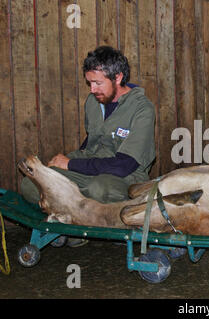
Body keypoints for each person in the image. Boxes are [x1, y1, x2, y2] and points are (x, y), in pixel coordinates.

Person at [20, 46, 156, 244]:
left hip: (125, 175)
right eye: (90, 82)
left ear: (117, 78)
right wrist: (65, 164)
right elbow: (91, 142)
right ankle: (78, 222)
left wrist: (70, 165)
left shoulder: (142, 109)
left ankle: (72, 224)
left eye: (98, 83)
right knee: (31, 184)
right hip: (90, 164)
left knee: (99, 189)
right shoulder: (93, 102)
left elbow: (124, 165)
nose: (92, 89)